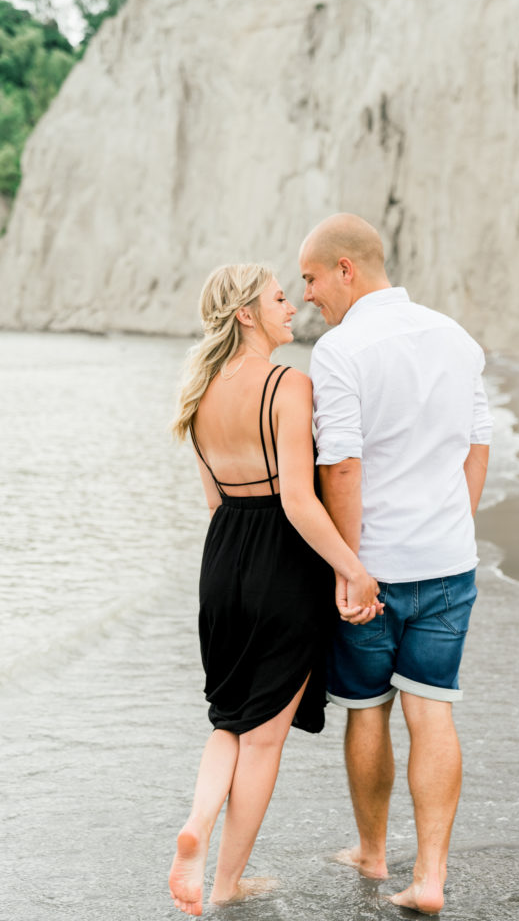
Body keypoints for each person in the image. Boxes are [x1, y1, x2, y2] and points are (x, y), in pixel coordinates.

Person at [167, 263, 380, 916]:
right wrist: (352, 568)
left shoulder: (198, 392)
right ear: (246, 315)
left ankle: (199, 823)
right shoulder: (289, 385)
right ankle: (226, 882)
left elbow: (214, 503)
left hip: (222, 562)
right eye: (279, 299)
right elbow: (297, 500)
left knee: (228, 719)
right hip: (283, 568)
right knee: (263, 740)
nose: (293, 307)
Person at [299, 213, 493, 915]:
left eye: (313, 278)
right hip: (447, 561)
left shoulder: (341, 349)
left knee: (366, 711)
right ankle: (431, 878)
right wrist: (451, 528)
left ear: (346, 268)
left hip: (371, 568)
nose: (309, 295)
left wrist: (348, 567)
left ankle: (375, 854)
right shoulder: (454, 336)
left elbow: (340, 465)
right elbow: (477, 445)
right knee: (433, 711)